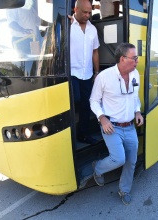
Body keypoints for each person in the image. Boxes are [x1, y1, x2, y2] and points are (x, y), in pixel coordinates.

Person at [89, 42, 144, 205]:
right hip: (111, 126)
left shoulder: (135, 75)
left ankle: (124, 190)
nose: (137, 61)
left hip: (130, 126)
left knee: (131, 160)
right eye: (134, 58)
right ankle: (97, 168)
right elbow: (93, 101)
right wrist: (102, 118)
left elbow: (135, 98)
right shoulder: (104, 77)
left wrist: (138, 111)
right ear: (122, 59)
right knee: (119, 159)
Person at [70, 0, 100, 144]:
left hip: (87, 74)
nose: (88, 15)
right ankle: (68, 136)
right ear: (75, 9)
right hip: (71, 74)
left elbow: (95, 52)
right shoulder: (66, 25)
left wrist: (96, 72)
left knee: (86, 105)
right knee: (74, 101)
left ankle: (83, 135)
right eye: (85, 12)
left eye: (90, 12)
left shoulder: (92, 29)